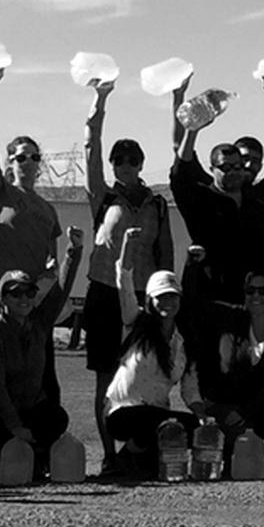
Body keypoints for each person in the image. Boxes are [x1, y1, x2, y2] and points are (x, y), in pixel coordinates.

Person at [84, 79, 174, 475]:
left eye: (131, 159)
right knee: (107, 376)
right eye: (118, 160)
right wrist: (99, 101)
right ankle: (107, 455)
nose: (125, 165)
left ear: (140, 163)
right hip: (106, 292)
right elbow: (90, 147)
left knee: (146, 374)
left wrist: (169, 290)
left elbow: (165, 251)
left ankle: (137, 450)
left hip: (144, 300)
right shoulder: (102, 196)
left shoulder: (156, 202)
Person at [0, 227, 82, 482]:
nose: (24, 298)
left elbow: (59, 291)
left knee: (56, 419)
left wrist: (73, 252)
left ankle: (34, 455)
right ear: (2, 298)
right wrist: (14, 427)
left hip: (31, 408)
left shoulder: (39, 324)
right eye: (15, 293)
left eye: (29, 292)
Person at [104, 258, 205, 476]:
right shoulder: (136, 325)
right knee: (150, 421)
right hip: (123, 411)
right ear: (150, 300)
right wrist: (127, 249)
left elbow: (190, 389)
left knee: (192, 428)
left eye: (172, 296)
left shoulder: (184, 343)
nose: (167, 301)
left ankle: (140, 460)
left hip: (159, 415)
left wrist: (202, 416)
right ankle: (124, 458)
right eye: (161, 297)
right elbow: (124, 282)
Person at [171, 109, 264, 305]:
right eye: (225, 167)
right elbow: (180, 174)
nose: (233, 172)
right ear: (212, 169)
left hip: (253, 303)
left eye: (237, 167)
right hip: (210, 302)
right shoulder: (201, 200)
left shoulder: (257, 208)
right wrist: (192, 131)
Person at [0, 67, 62, 323]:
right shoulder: (1, 193)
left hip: (32, 297)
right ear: (11, 163)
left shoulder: (48, 210)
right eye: (21, 157)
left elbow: (53, 261)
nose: (28, 162)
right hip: (1, 291)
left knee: (36, 362)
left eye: (34, 157)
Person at [196, 268, 264, 450]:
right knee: (244, 444)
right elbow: (196, 302)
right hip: (228, 402)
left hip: (262, 404)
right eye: (250, 291)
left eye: (263, 291)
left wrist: (246, 411)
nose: (256, 296)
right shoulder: (229, 323)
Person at [174, 75, 264, 214]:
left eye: (255, 161)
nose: (248, 165)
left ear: (261, 166)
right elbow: (181, 156)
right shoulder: (210, 191)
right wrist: (179, 99)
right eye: (243, 159)